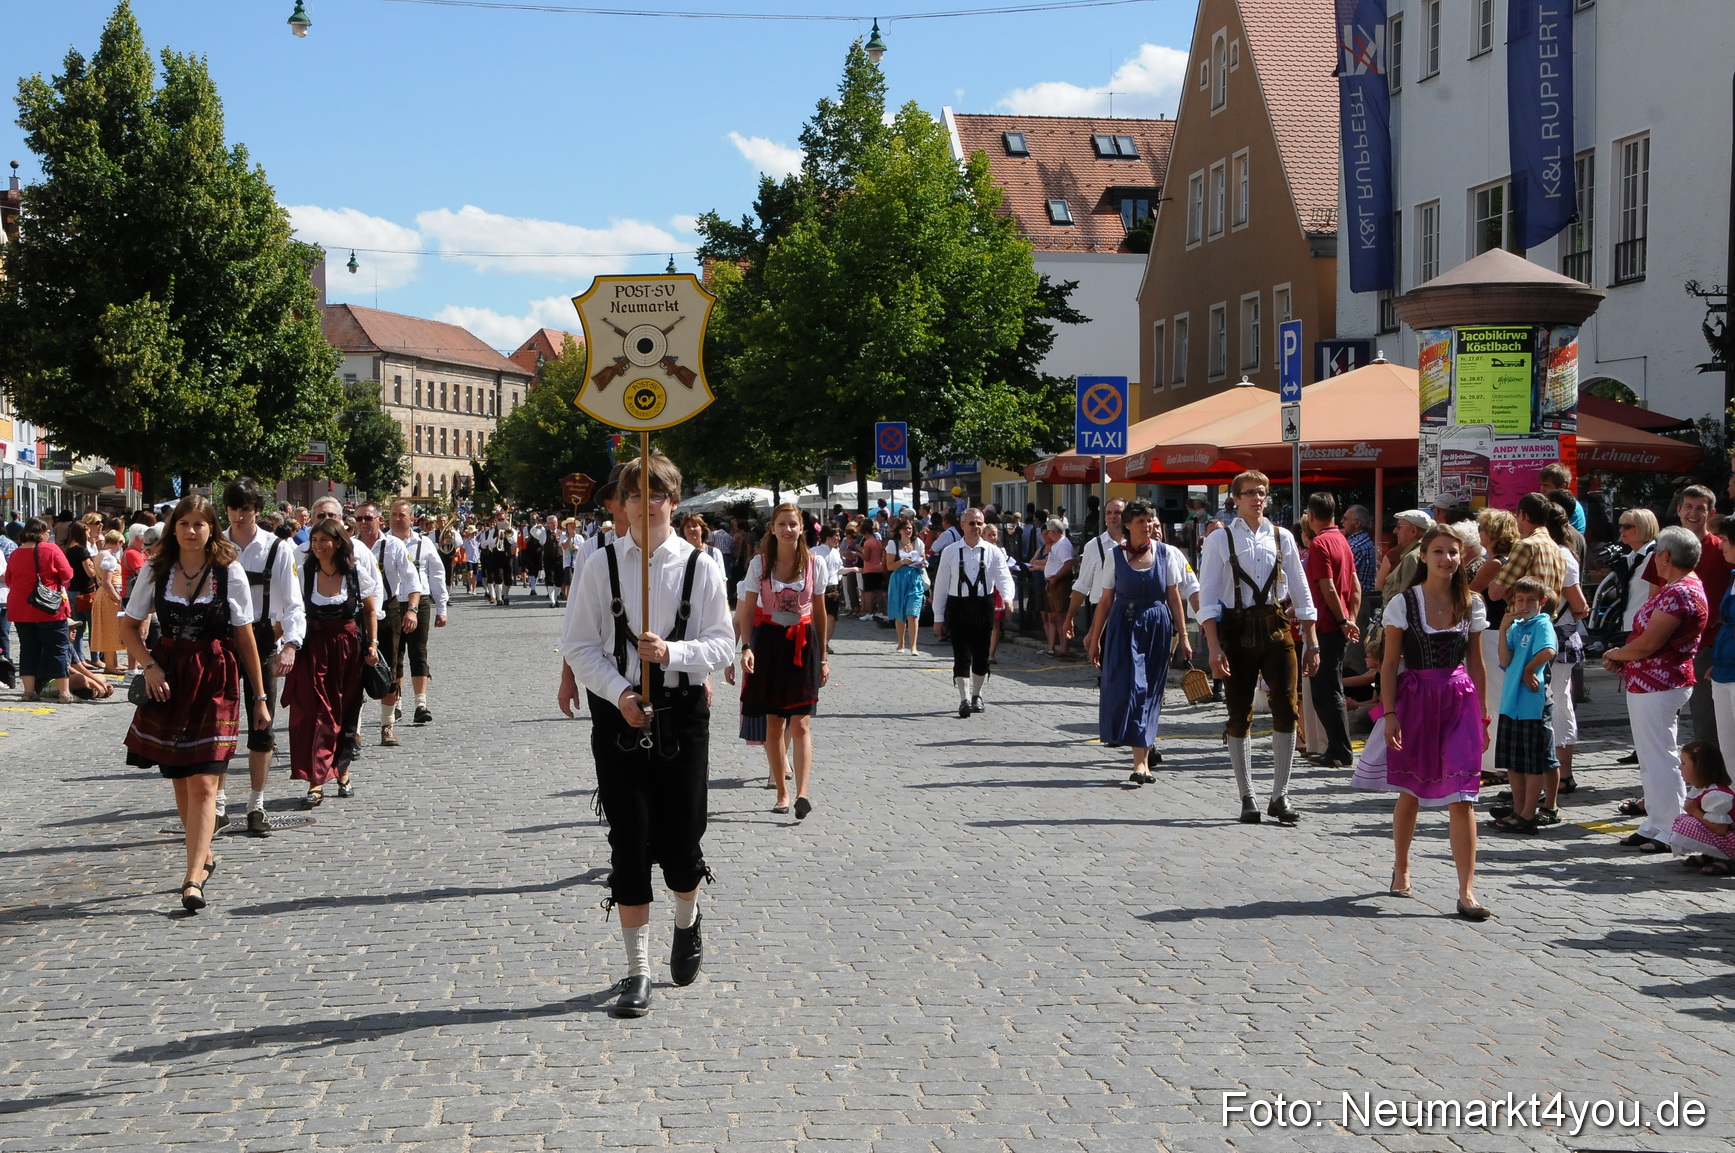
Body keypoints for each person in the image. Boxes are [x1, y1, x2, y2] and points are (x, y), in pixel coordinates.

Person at [556, 452, 734, 1018]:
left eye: (657, 494)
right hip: (620, 714)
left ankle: (688, 916)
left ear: (673, 502)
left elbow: (722, 645)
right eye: (635, 494)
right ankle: (638, 971)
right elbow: (578, 643)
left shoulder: (700, 566)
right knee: (628, 841)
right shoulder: (600, 563)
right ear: (623, 503)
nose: (646, 503)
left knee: (682, 841)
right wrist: (619, 691)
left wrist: (673, 652)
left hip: (682, 712)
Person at [120, 495, 269, 915]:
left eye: (198, 524)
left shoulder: (229, 571)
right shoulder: (155, 568)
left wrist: (259, 697)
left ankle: (191, 877)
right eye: (182, 523)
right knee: (182, 778)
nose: (190, 531)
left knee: (205, 781)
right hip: (169, 676)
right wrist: (149, 666)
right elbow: (129, 628)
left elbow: (245, 637)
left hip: (215, 675)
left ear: (211, 529)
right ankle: (201, 855)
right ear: (174, 528)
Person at [1375, 525, 1491, 918]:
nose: (1446, 559)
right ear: (1423, 556)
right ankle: (1402, 867)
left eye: (1453, 553)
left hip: (1459, 699)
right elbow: (1390, 663)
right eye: (1438, 552)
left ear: (1463, 557)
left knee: (1463, 795)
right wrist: (1389, 714)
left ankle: (1466, 891)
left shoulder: (1472, 603)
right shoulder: (1404, 603)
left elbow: (1476, 662)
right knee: (1412, 790)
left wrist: (1484, 716)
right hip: (1417, 699)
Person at [1197, 470, 1318, 824]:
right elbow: (1206, 596)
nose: (1257, 498)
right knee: (1238, 712)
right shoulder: (1220, 540)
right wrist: (1214, 647)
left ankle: (1280, 795)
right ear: (1234, 499)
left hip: (1277, 628)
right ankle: (1247, 795)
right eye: (1249, 493)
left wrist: (1312, 641)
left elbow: (1301, 589)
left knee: (1287, 707)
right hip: (1235, 630)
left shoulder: (1282, 537)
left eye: (1262, 492)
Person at [1603, 525, 1707, 853]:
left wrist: (1616, 654)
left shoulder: (1681, 590)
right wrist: (1625, 657)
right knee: (1650, 757)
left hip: (1662, 682)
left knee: (1660, 755)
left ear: (1665, 556)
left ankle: (1671, 826)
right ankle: (1656, 821)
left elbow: (1649, 642)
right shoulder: (1676, 586)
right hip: (1651, 681)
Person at [222, 477, 306, 836]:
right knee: (218, 724)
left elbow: (292, 602)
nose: (240, 516)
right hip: (222, 640)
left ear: (256, 510)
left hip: (262, 637)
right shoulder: (217, 545)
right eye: (234, 509)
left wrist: (291, 643)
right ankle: (219, 804)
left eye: (246, 509)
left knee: (262, 723)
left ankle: (256, 805)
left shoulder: (277, 548)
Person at [1085, 499, 1191, 784]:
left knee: (1150, 692)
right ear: (1128, 526)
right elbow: (1105, 600)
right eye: (1141, 521)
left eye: (1150, 520)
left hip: (1157, 625)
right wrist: (1095, 638)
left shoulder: (1167, 553)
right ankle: (1138, 759)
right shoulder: (1114, 555)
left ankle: (1142, 763)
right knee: (1132, 688)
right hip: (1124, 625)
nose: (1147, 526)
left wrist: (1184, 635)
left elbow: (1173, 596)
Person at [737, 503, 831, 817]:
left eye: (793, 524)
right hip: (770, 643)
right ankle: (782, 791)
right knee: (774, 723)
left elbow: (818, 612)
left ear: (801, 528)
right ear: (773, 529)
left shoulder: (814, 564)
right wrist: (747, 646)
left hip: (803, 644)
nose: (788, 529)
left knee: (802, 723)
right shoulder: (760, 564)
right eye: (782, 524)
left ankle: (803, 793)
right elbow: (748, 610)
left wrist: (823, 657)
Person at [285, 517, 378, 806]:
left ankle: (343, 772)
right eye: (314, 541)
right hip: (314, 649)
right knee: (316, 713)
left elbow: (370, 611)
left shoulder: (353, 573)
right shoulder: (305, 572)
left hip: (348, 650)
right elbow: (292, 609)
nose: (318, 546)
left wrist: (372, 645)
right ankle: (316, 779)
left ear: (337, 542)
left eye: (324, 540)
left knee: (346, 711)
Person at [932, 507, 1016, 719]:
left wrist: (1007, 597)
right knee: (961, 653)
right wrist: (938, 617)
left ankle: (977, 694)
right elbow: (941, 586)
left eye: (979, 523)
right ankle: (964, 698)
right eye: (972, 523)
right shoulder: (950, 551)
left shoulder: (992, 551)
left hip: (983, 604)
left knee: (981, 653)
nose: (976, 527)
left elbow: (1003, 576)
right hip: (958, 605)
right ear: (962, 525)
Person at [1488, 578, 1556, 833]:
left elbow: (1548, 651)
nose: (1524, 605)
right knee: (1513, 763)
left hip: (1531, 703)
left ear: (1542, 602)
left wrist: (1529, 670)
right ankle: (1517, 810)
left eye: (1530, 600)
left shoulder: (1541, 624)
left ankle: (1528, 814)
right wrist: (1505, 628)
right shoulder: (1517, 626)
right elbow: (1505, 659)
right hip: (1511, 702)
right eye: (1519, 600)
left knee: (1532, 763)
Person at [354, 501, 425, 747]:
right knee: (354, 673)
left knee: (390, 668)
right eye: (359, 518)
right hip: (357, 614)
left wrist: (413, 610)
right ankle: (356, 730)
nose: (363, 523)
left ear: (379, 521)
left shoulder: (394, 545)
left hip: (388, 610)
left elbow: (412, 580)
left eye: (368, 518)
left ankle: (387, 726)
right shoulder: (348, 546)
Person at [1302, 493, 1360, 768]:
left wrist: (1341, 620)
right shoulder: (1342, 541)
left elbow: (1327, 586)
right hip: (1339, 623)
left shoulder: (1319, 542)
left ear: (1311, 516)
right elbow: (1355, 586)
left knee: (1324, 689)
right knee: (1331, 685)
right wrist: (1351, 618)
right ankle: (1339, 747)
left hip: (1326, 624)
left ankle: (1339, 748)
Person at [5, 517, 73, 702]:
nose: (49, 535)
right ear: (42, 532)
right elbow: (67, 574)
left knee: (28, 649)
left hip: (20, 608)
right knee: (58, 648)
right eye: (48, 532)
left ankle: (28, 692)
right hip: (48, 608)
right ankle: (64, 693)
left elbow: (9, 579)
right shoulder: (51, 549)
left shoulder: (17, 553)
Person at [1670, 741, 1734, 875]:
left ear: (1699, 768)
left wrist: (1695, 812)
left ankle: (1729, 859)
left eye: (1684, 763)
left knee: (1689, 823)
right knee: (1685, 820)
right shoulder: (1703, 789)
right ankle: (1714, 854)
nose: (1680, 767)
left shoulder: (1716, 795)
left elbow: (1720, 828)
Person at [885, 518, 928, 656]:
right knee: (900, 612)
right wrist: (902, 561)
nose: (908, 531)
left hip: (915, 579)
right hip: (899, 579)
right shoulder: (893, 544)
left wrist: (920, 563)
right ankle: (901, 642)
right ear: (899, 530)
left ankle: (914, 646)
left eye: (910, 528)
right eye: (905, 528)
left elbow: (923, 561)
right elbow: (889, 566)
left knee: (913, 613)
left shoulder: (918, 543)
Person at [89, 529, 126, 674]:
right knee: (110, 630)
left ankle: (113, 662)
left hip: (103, 595)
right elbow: (106, 582)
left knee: (110, 629)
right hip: (109, 596)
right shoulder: (109, 557)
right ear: (117, 542)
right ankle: (110, 664)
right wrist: (117, 598)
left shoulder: (100, 555)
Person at [1040, 518, 1075, 657]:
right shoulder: (1058, 544)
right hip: (1054, 583)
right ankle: (1062, 646)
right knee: (1057, 616)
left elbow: (1068, 563)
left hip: (1059, 584)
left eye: (1048, 532)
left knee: (1062, 615)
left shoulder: (1062, 545)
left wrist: (1055, 578)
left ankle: (1065, 647)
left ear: (1053, 532)